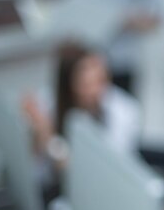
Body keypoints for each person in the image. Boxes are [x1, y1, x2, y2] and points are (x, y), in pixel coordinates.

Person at [22, 42, 141, 183]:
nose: (97, 91)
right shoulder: (48, 103)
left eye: (101, 81)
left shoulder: (124, 112)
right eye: (86, 85)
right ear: (68, 86)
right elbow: (37, 173)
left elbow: (97, 175)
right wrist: (34, 133)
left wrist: (50, 141)